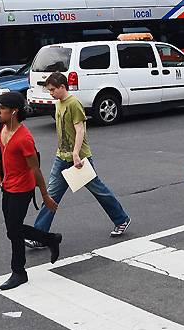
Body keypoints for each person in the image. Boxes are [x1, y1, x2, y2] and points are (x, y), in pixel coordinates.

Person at [30, 72, 132, 246]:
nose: (51, 93)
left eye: (53, 89)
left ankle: (121, 219)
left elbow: (80, 130)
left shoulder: (73, 104)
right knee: (51, 195)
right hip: (61, 158)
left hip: (79, 159)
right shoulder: (59, 104)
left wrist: (76, 153)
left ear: (63, 87)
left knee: (99, 190)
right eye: (49, 90)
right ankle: (39, 236)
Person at [0, 91, 62, 290]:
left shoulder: (24, 139)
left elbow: (35, 169)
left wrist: (45, 195)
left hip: (23, 188)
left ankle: (19, 272)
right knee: (12, 230)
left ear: (14, 112)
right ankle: (51, 239)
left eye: (2, 108)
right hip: (7, 185)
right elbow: (1, 149)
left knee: (14, 230)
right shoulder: (3, 127)